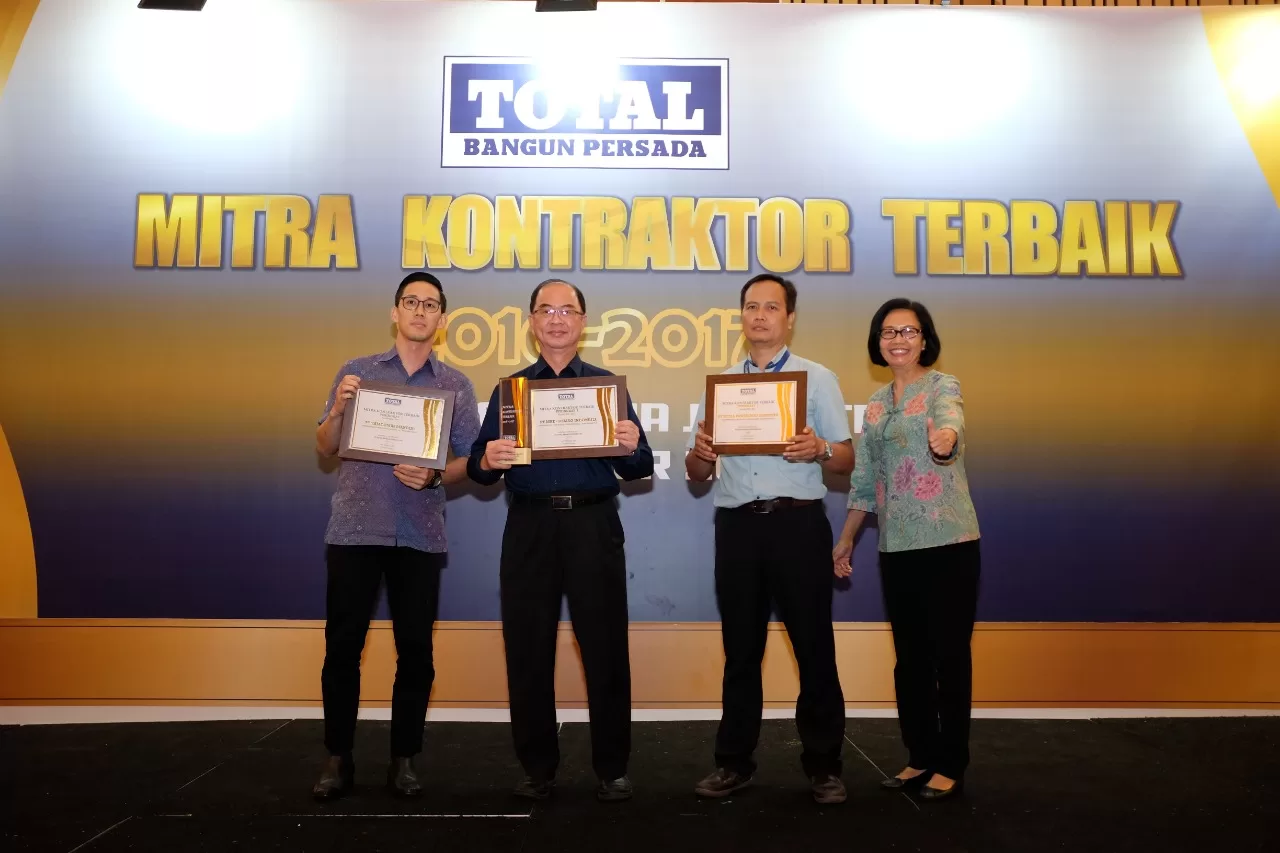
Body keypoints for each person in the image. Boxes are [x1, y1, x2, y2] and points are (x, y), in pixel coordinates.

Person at [468, 278, 653, 803]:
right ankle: (537, 767)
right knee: (527, 649)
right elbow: (480, 469)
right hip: (529, 527)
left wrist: (630, 446)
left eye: (567, 310)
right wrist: (489, 460)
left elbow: (639, 465)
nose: (556, 319)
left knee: (606, 649)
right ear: (531, 322)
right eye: (545, 310)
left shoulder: (606, 389)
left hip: (593, 524)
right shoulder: (510, 391)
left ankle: (612, 768)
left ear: (582, 322)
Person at [685, 273, 855, 805]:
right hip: (738, 527)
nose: (759, 315)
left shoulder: (817, 379)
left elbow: (847, 460)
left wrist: (820, 449)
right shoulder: (721, 386)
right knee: (741, 651)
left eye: (771, 307)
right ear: (741, 315)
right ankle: (733, 763)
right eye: (751, 306)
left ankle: (824, 765)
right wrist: (702, 453)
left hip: (797, 525)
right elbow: (695, 473)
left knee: (814, 648)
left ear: (790, 318)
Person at [311, 272, 481, 801]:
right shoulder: (357, 372)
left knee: (416, 653)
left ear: (442, 319)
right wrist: (338, 410)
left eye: (430, 305)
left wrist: (435, 476)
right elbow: (324, 445)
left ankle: (404, 759)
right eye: (411, 302)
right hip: (355, 530)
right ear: (395, 312)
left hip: (419, 534)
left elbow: (472, 462)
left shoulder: (455, 384)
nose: (420, 311)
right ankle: (337, 757)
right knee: (343, 648)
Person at [833, 297, 981, 802]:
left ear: (924, 340)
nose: (898, 340)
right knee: (910, 659)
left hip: (948, 542)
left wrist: (946, 438)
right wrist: (847, 536)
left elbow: (951, 421)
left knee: (949, 656)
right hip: (896, 545)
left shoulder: (943, 386)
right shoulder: (876, 404)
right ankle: (920, 756)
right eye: (889, 332)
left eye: (909, 331)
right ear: (878, 341)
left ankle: (951, 763)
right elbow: (865, 478)